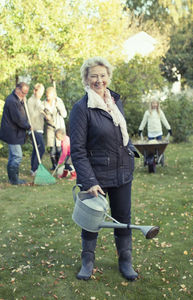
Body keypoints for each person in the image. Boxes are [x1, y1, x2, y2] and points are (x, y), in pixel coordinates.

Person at [69, 57, 140, 281]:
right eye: (94, 76)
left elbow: (121, 133)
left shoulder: (115, 102)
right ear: (86, 79)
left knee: (122, 218)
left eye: (102, 75)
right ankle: (87, 262)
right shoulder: (82, 108)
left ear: (108, 77)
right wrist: (89, 182)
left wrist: (130, 151)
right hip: (96, 175)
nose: (99, 80)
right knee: (92, 219)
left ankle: (125, 261)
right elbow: (78, 150)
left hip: (122, 172)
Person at [0, 82, 31, 185]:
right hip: (12, 133)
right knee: (17, 156)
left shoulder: (17, 99)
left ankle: (12, 178)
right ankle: (14, 179)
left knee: (13, 156)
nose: (24, 95)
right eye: (23, 93)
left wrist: (22, 101)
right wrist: (28, 126)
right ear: (17, 89)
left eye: (26, 93)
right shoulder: (12, 101)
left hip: (14, 133)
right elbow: (18, 119)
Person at [43, 87, 67, 170]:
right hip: (50, 128)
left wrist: (58, 107)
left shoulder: (58, 101)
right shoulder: (44, 103)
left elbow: (64, 115)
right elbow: (41, 115)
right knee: (52, 148)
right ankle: (54, 165)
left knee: (59, 148)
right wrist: (45, 117)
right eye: (47, 96)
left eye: (50, 96)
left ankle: (58, 164)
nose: (48, 98)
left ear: (54, 95)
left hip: (59, 128)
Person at [27, 83, 45, 176]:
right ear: (35, 91)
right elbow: (31, 115)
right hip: (34, 128)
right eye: (40, 91)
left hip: (39, 128)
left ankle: (33, 169)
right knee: (41, 148)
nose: (41, 93)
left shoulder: (39, 101)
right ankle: (35, 168)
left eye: (42, 92)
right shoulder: (31, 101)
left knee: (36, 149)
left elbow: (41, 115)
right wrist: (39, 108)